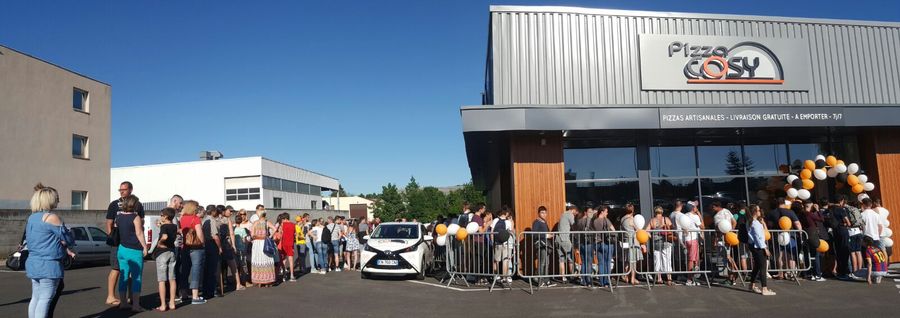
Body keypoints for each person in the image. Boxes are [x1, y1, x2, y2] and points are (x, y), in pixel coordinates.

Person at [25, 184, 75, 318]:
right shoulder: (52, 217)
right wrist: (68, 233)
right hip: (49, 264)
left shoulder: (32, 218)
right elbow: (69, 239)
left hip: (33, 262)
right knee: (45, 299)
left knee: (35, 297)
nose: (58, 200)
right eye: (56, 198)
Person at [105, 181, 144, 307]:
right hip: (118, 244)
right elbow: (109, 223)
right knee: (116, 269)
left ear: (130, 190)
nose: (121, 191)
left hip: (131, 244)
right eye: (120, 189)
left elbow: (141, 224)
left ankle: (130, 297)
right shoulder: (114, 205)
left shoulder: (137, 205)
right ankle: (110, 296)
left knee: (130, 272)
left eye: (124, 189)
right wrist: (113, 238)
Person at [114, 195, 146, 312]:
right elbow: (139, 233)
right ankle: (136, 305)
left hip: (122, 249)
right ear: (134, 204)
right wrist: (145, 247)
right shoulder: (135, 217)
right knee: (137, 278)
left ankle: (123, 302)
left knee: (124, 276)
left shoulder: (119, 217)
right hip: (134, 250)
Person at [178, 201, 206, 304]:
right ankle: (195, 296)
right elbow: (199, 233)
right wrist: (203, 243)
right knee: (196, 270)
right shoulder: (196, 218)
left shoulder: (182, 218)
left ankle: (184, 294)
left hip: (185, 246)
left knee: (184, 270)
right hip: (196, 247)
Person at [747, 204, 776, 296]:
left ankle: (752, 285)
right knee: (763, 267)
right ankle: (764, 288)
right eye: (758, 210)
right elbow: (758, 237)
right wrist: (765, 248)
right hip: (758, 247)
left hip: (753, 246)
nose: (760, 211)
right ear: (755, 212)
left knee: (757, 266)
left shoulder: (750, 222)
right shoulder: (755, 223)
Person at [154, 208, 178, 312]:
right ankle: (172, 302)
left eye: (162, 215)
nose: (160, 216)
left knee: (162, 280)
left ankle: (163, 304)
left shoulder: (164, 226)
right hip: (172, 251)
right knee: (172, 279)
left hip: (162, 253)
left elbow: (164, 236)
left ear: (166, 216)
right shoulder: (174, 226)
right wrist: (160, 226)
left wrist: (160, 243)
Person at [711, 201, 738, 284]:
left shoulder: (717, 216)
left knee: (727, 257)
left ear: (717, 206)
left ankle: (734, 273)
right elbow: (734, 222)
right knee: (727, 256)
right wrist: (731, 232)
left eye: (713, 207)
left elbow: (717, 229)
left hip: (722, 239)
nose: (711, 208)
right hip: (728, 237)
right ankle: (732, 275)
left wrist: (716, 239)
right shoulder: (727, 211)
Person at [801, 201, 827, 281]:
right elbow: (822, 219)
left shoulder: (801, 214)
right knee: (816, 254)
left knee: (807, 254)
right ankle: (817, 275)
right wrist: (818, 210)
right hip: (813, 235)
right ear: (809, 206)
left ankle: (810, 274)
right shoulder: (809, 214)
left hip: (805, 235)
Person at [647, 206, 674, 285]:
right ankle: (669, 278)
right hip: (666, 242)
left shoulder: (652, 221)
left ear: (655, 212)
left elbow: (646, 231)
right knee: (667, 259)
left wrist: (652, 236)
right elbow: (672, 228)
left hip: (656, 243)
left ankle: (659, 278)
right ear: (662, 212)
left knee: (657, 260)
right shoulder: (666, 219)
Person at [250, 212, 276, 286]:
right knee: (266, 259)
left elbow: (252, 235)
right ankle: (268, 280)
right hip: (265, 242)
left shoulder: (255, 223)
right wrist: (270, 237)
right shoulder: (267, 222)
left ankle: (259, 281)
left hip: (257, 243)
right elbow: (274, 228)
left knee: (258, 260)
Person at [201, 205, 222, 299]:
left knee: (206, 269)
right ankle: (212, 290)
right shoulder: (212, 220)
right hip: (212, 245)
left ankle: (206, 290)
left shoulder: (203, 220)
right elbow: (215, 236)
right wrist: (220, 247)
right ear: (213, 211)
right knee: (213, 269)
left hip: (205, 245)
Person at [619, 203, 643, 285]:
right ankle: (632, 278)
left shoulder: (622, 219)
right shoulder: (632, 219)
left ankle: (626, 277)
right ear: (632, 210)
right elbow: (637, 229)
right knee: (633, 261)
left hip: (625, 241)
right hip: (632, 241)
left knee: (626, 259)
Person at [220, 206, 243, 290]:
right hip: (226, 244)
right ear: (224, 210)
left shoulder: (215, 219)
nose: (231, 213)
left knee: (219, 266)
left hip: (218, 244)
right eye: (230, 211)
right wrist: (233, 245)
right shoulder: (227, 220)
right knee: (232, 264)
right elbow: (231, 233)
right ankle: (238, 284)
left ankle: (220, 285)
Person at [592, 205, 615, 287]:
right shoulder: (606, 220)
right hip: (606, 243)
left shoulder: (594, 221)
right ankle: (607, 281)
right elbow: (613, 230)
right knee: (607, 263)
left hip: (597, 243)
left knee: (601, 263)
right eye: (606, 211)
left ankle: (602, 282)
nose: (607, 213)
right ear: (602, 212)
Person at [532, 206, 555, 287]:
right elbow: (534, 234)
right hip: (540, 245)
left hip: (546, 245)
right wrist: (546, 235)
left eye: (545, 212)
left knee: (547, 263)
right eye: (542, 212)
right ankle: (539, 280)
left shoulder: (544, 222)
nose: (544, 214)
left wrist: (550, 234)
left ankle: (546, 280)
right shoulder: (536, 222)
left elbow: (547, 232)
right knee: (542, 263)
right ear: (538, 213)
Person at [830, 196, 852, 279]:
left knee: (838, 251)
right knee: (845, 251)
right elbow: (848, 222)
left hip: (835, 231)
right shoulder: (841, 209)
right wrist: (847, 224)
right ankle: (844, 272)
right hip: (843, 231)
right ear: (841, 201)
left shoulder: (830, 209)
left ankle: (839, 271)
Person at [491, 206, 515, 284]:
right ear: (506, 213)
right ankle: (504, 277)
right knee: (505, 260)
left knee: (496, 260)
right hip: (505, 243)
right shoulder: (507, 222)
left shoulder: (495, 220)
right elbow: (511, 232)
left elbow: (492, 232)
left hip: (497, 243)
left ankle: (496, 275)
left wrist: (492, 242)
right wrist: (512, 223)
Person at [682, 202, 703, 286]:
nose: (696, 208)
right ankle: (689, 279)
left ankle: (692, 279)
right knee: (692, 259)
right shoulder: (695, 216)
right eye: (695, 207)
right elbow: (703, 226)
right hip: (693, 238)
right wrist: (699, 214)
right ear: (692, 208)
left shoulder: (684, 215)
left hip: (687, 239)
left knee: (693, 259)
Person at [574, 206, 592, 286]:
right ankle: (588, 280)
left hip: (581, 243)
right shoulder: (588, 220)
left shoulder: (579, 221)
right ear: (585, 212)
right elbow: (588, 230)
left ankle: (583, 279)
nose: (591, 214)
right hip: (587, 243)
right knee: (588, 262)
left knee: (584, 262)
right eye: (590, 212)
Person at [557, 204, 575, 283]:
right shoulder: (570, 214)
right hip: (565, 239)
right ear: (573, 210)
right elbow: (574, 225)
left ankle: (563, 277)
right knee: (570, 258)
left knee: (561, 259)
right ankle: (572, 275)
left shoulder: (562, 214)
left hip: (558, 239)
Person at [233, 209, 252, 286]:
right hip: (242, 249)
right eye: (241, 214)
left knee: (236, 265)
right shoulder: (243, 230)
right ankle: (244, 282)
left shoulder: (233, 228)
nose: (242, 215)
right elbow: (245, 239)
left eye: (244, 214)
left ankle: (237, 282)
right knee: (243, 265)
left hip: (235, 249)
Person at [279, 214, 296, 281]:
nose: (282, 220)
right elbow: (295, 234)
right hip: (290, 243)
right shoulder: (293, 225)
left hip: (283, 243)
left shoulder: (282, 225)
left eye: (283, 219)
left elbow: (280, 234)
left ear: (285, 218)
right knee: (291, 260)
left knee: (284, 260)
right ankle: (292, 276)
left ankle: (284, 275)